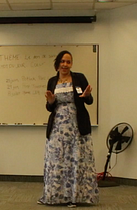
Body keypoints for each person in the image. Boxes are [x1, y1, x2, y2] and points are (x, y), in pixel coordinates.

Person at [38, 50, 99, 208]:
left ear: (71, 64)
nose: (65, 64)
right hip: (57, 127)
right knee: (57, 160)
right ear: (57, 64)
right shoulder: (52, 81)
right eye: (62, 61)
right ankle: (55, 196)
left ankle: (74, 197)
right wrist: (51, 101)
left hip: (76, 127)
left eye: (68, 62)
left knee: (75, 160)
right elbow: (49, 107)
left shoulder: (79, 78)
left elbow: (89, 100)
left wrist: (86, 96)